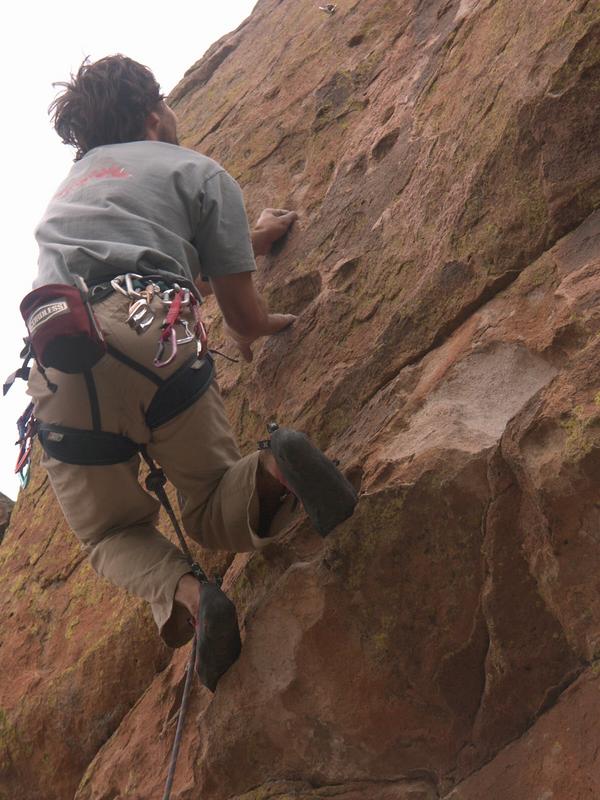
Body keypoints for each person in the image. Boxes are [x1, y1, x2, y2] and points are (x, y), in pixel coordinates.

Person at [27, 54, 357, 691]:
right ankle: (276, 468)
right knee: (209, 503)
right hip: (157, 330)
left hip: (63, 363)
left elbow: (128, 264)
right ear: (154, 117)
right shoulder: (197, 171)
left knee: (110, 532)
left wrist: (250, 240)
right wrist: (265, 323)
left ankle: (191, 597)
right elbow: (237, 313)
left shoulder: (64, 196)